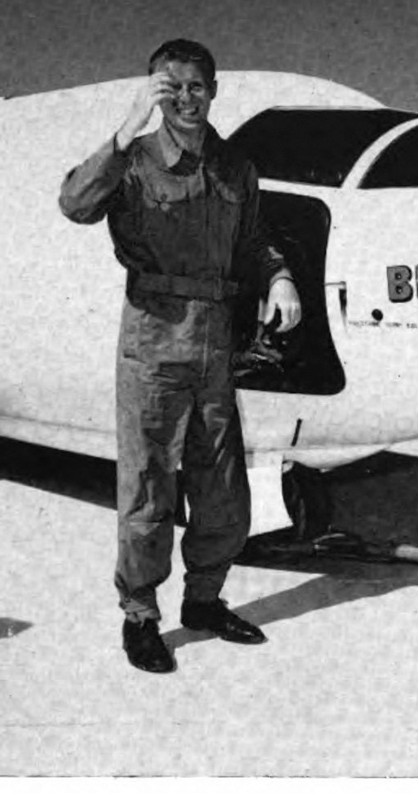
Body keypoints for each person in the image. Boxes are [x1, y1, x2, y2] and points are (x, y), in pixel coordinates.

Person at [59, 40, 301, 673]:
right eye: (173, 89)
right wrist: (124, 129)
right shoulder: (133, 161)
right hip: (153, 342)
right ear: (155, 92)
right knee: (147, 489)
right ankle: (140, 616)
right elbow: (76, 204)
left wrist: (280, 278)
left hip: (216, 343)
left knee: (222, 487)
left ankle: (204, 601)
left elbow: (256, 242)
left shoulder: (235, 168)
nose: (187, 99)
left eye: (198, 87)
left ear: (214, 90)